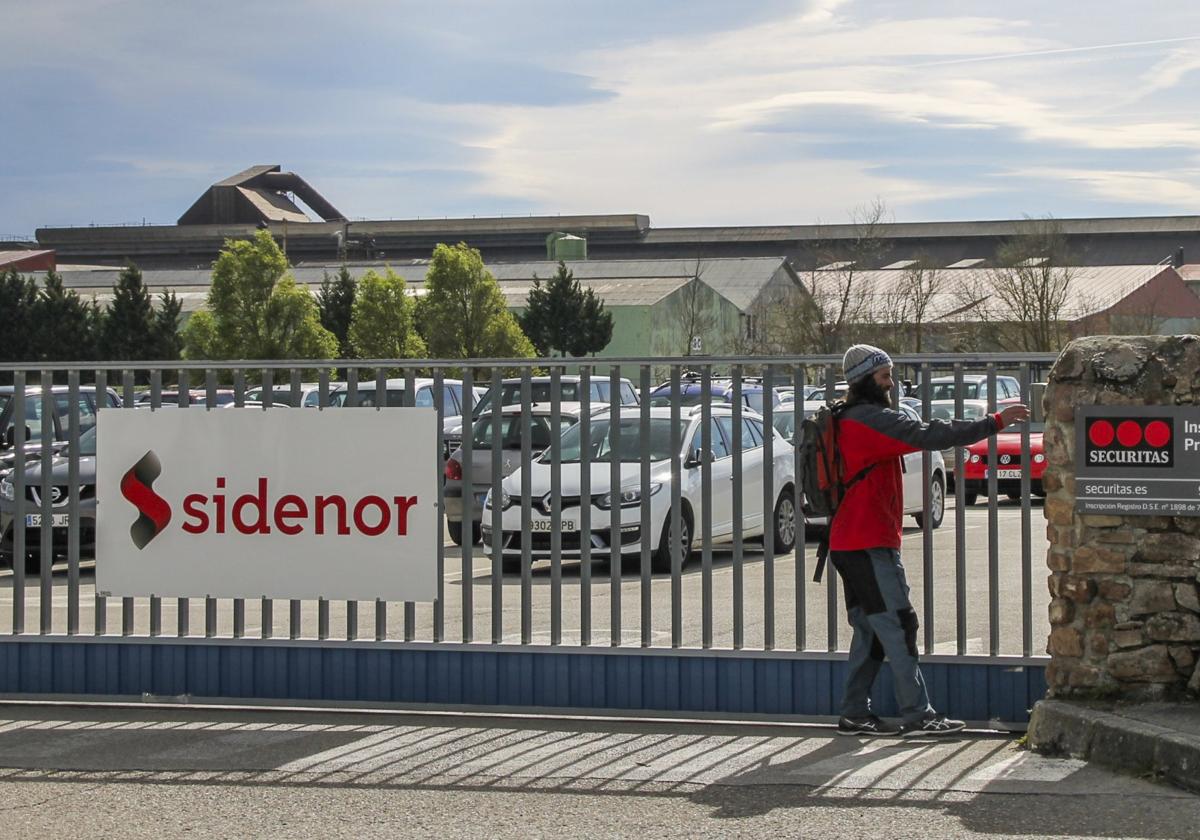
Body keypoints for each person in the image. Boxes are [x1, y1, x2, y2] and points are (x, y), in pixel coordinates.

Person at [832, 344, 1029, 737]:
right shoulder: (870, 421)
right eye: (884, 376)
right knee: (899, 625)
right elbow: (929, 434)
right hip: (868, 542)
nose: (891, 384)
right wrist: (993, 422)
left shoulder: (848, 419)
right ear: (865, 380)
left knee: (871, 628)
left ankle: (855, 711)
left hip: (850, 542)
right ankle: (918, 714)